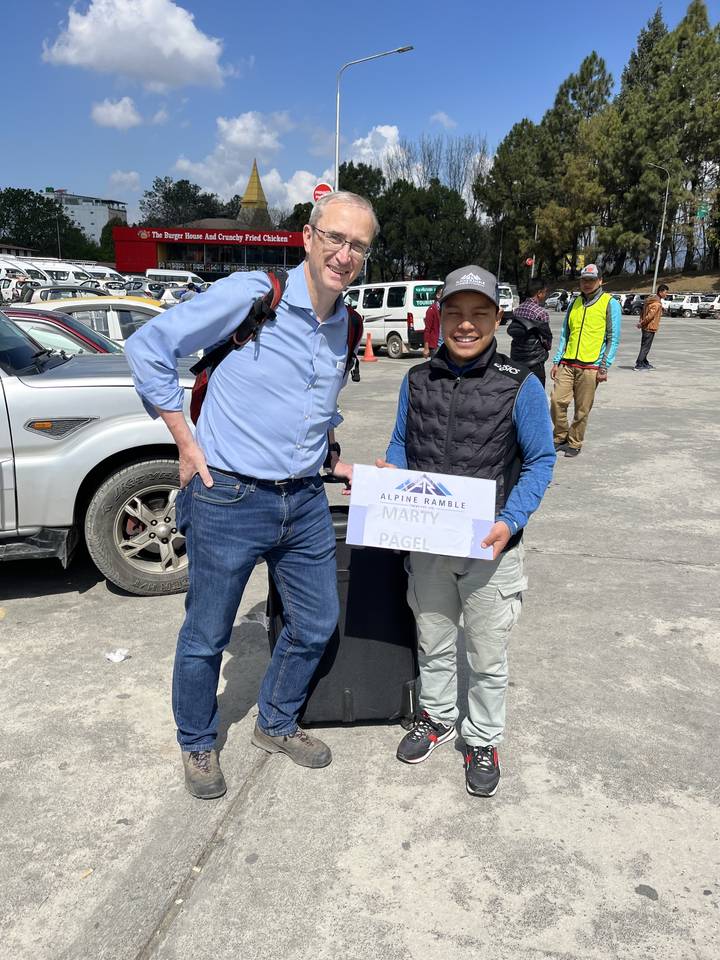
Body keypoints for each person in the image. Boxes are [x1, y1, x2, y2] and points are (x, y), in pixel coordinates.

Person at [125, 191, 377, 800]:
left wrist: (334, 457)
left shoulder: (349, 324)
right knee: (207, 634)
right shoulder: (253, 296)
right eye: (335, 238)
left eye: (358, 246)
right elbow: (148, 349)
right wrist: (185, 441)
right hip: (229, 496)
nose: (344, 255)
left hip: (304, 501)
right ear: (309, 236)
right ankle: (197, 742)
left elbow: (315, 405)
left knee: (317, 621)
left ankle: (275, 721)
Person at [378, 265, 555, 798]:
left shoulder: (519, 385)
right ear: (441, 316)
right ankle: (436, 717)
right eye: (455, 312)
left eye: (479, 314)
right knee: (432, 641)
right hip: (428, 544)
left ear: (496, 318)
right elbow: (398, 445)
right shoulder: (415, 379)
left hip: (489, 547)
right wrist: (391, 482)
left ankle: (482, 738)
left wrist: (510, 521)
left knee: (485, 655)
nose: (465, 324)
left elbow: (541, 460)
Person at [549, 264, 621, 458]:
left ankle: (575, 441)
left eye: (591, 280)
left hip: (591, 366)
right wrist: (557, 360)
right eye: (583, 280)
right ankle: (560, 435)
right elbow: (566, 333)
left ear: (600, 281)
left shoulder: (609, 303)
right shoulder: (575, 303)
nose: (587, 284)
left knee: (582, 409)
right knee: (556, 401)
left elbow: (612, 338)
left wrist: (604, 366)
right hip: (568, 362)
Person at [507, 279, 553, 386]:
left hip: (516, 358)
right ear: (539, 293)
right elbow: (547, 340)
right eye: (544, 292)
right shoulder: (541, 313)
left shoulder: (517, 310)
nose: (545, 295)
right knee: (536, 392)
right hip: (534, 361)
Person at [634, 283, 668, 371]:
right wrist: (641, 323)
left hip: (646, 327)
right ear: (660, 292)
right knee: (646, 346)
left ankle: (644, 361)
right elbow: (650, 316)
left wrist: (641, 322)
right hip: (649, 327)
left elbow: (643, 312)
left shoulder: (650, 301)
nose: (666, 294)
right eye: (665, 292)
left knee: (644, 345)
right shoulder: (656, 304)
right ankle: (639, 364)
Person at [422, 285, 443, 358]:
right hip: (436, 346)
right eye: (443, 294)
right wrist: (426, 348)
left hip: (446, 346)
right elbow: (427, 330)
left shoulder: (446, 309)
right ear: (438, 295)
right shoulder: (431, 310)